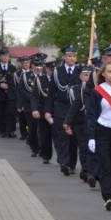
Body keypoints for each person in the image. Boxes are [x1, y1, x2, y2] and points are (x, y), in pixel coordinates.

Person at [87, 62, 111, 210]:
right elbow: (91, 115)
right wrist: (91, 136)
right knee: (106, 165)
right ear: (103, 73)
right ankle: (107, 197)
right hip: (102, 130)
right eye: (109, 71)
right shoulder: (97, 92)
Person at [47, 46, 81, 176]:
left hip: (75, 109)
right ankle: (63, 163)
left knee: (73, 138)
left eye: (74, 56)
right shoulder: (57, 71)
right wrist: (48, 110)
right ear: (65, 57)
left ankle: (71, 164)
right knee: (61, 136)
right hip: (61, 107)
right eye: (69, 56)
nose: (71, 58)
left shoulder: (80, 71)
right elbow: (52, 93)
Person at [63, 66, 96, 187]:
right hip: (80, 122)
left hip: (95, 122)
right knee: (84, 147)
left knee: (94, 149)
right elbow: (75, 105)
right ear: (81, 76)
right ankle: (87, 171)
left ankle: (90, 172)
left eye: (89, 75)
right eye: (85, 75)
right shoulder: (77, 89)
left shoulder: (97, 88)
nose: (87, 77)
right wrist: (67, 122)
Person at [29, 58, 54, 163]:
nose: (53, 72)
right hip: (43, 110)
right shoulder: (40, 80)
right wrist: (34, 109)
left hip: (57, 110)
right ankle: (47, 156)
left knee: (61, 136)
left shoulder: (59, 79)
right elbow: (34, 96)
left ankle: (64, 160)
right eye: (51, 69)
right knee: (45, 135)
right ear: (47, 70)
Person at [13, 55, 32, 140]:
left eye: (28, 62)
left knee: (29, 120)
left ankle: (29, 134)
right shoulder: (17, 74)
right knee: (22, 118)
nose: (26, 64)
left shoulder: (32, 73)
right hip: (20, 99)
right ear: (21, 64)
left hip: (30, 99)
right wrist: (19, 104)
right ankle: (23, 134)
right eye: (24, 63)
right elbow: (16, 89)